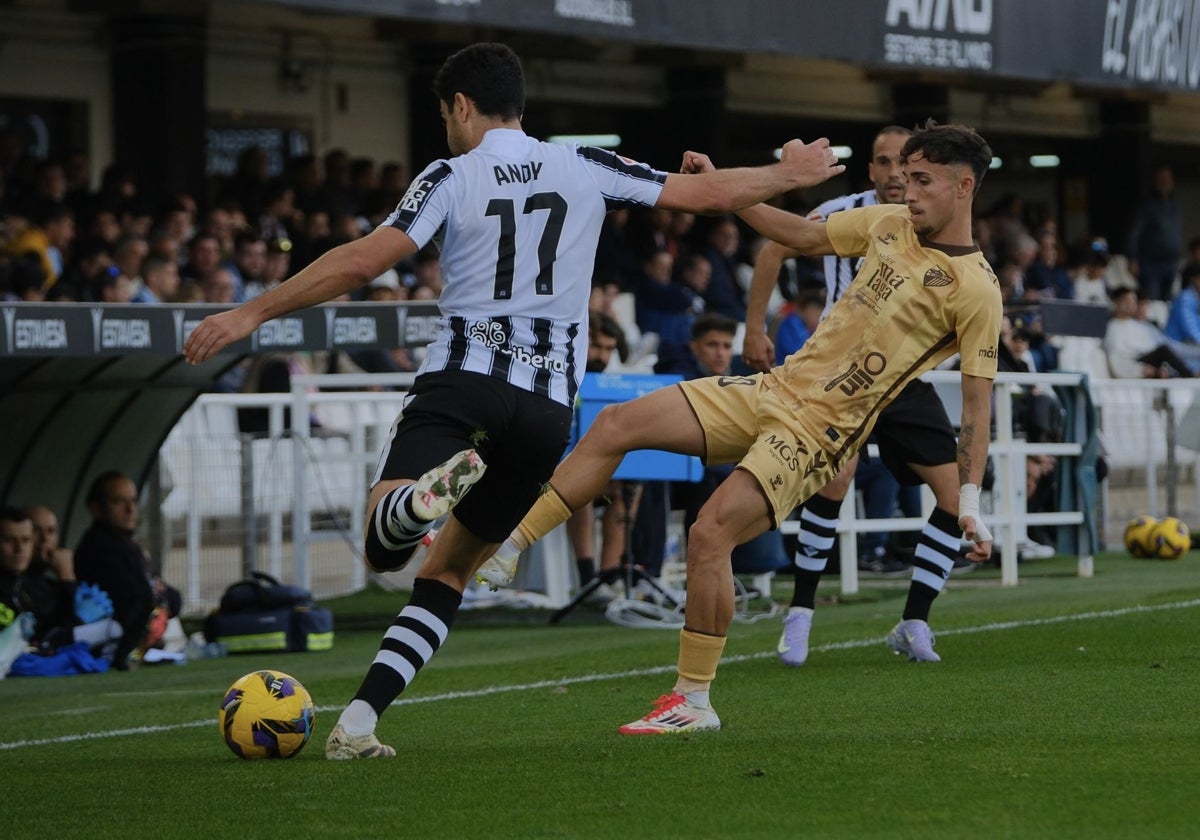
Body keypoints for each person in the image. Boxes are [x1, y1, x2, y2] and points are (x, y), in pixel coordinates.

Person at [182, 42, 843, 759]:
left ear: (460, 107)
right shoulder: (587, 163)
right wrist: (788, 171)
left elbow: (365, 259)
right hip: (546, 409)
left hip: (465, 379)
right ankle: (361, 723)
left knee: (382, 546)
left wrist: (252, 313)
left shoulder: (452, 174)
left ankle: (409, 507)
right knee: (448, 573)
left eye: (445, 116)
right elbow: (711, 195)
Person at [478, 120, 999, 733]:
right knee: (617, 422)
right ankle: (508, 547)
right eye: (904, 177)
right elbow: (800, 235)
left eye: (922, 181)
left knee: (709, 534)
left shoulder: (977, 289)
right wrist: (728, 188)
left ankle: (693, 700)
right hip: (771, 388)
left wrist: (968, 500)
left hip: (818, 436)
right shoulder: (889, 226)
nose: (905, 191)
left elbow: (976, 407)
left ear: (964, 187)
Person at [742, 125, 975, 665]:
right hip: (840, 371)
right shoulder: (847, 209)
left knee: (954, 495)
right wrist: (756, 328)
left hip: (902, 376)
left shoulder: (936, 219)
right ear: (870, 170)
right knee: (836, 477)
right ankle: (800, 613)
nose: (897, 174)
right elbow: (777, 249)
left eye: (909, 166)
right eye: (886, 163)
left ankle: (915, 619)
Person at [73, 471, 180, 668]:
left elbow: (170, 596)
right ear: (96, 508)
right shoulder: (98, 548)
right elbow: (135, 598)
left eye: (133, 501)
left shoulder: (129, 546)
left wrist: (160, 600)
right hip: (110, 646)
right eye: (118, 502)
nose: (130, 509)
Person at [1126, 165, 1183, 303]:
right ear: (1155, 181)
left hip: (1171, 262)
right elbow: (1133, 233)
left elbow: (1176, 232)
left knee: (1168, 302)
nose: (1165, 183)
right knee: (1152, 301)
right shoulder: (1147, 205)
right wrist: (1132, 258)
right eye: (1162, 179)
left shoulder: (1174, 205)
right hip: (1151, 263)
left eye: (1168, 179)